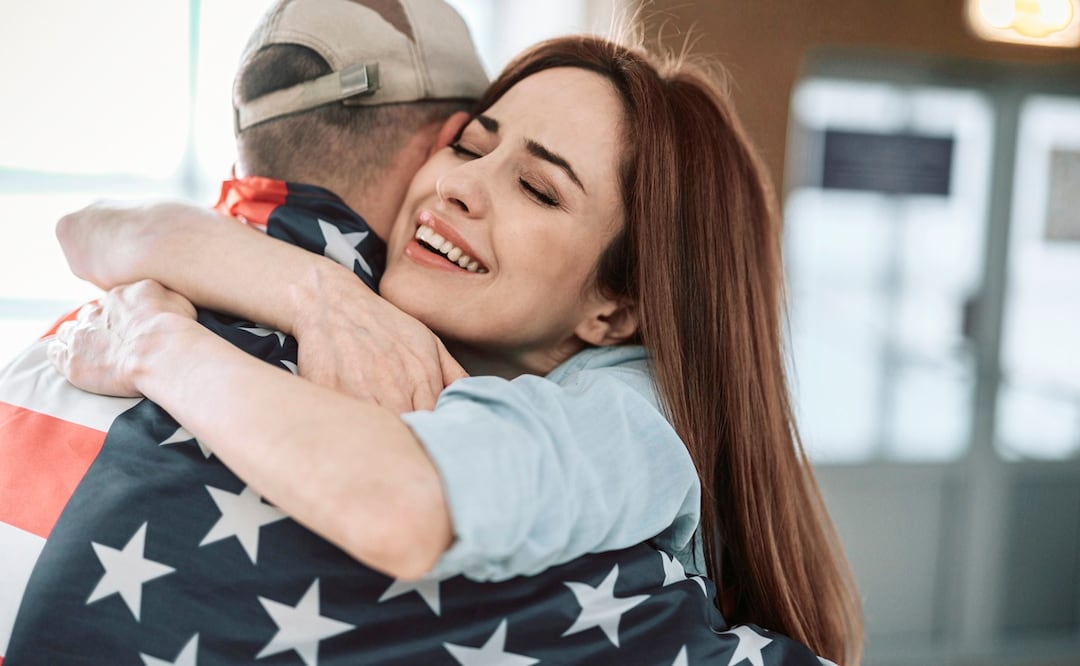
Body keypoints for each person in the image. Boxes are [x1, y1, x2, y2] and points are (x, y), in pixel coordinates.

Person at [49, 33, 863, 666]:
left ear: (616, 308)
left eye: (538, 189)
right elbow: (87, 231)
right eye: (471, 145)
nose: (459, 186)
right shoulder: (365, 290)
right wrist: (314, 294)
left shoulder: (630, 419)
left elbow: (395, 506)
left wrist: (158, 346)